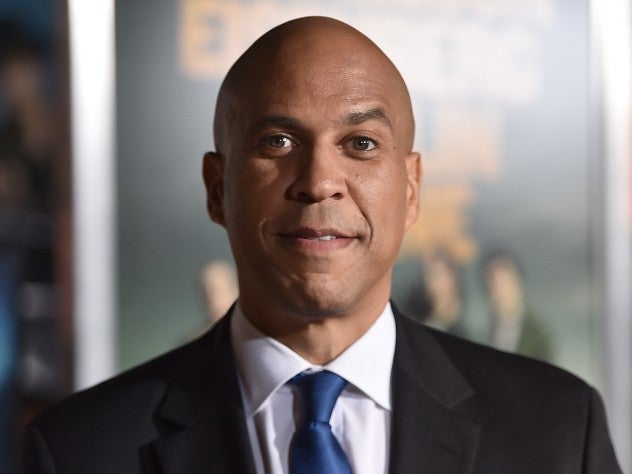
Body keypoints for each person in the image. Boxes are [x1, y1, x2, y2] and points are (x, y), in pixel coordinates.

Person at [22, 16, 621, 473]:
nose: (318, 182)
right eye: (278, 142)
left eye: (360, 144)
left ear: (411, 189)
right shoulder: (78, 451)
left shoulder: (559, 431)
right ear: (216, 188)